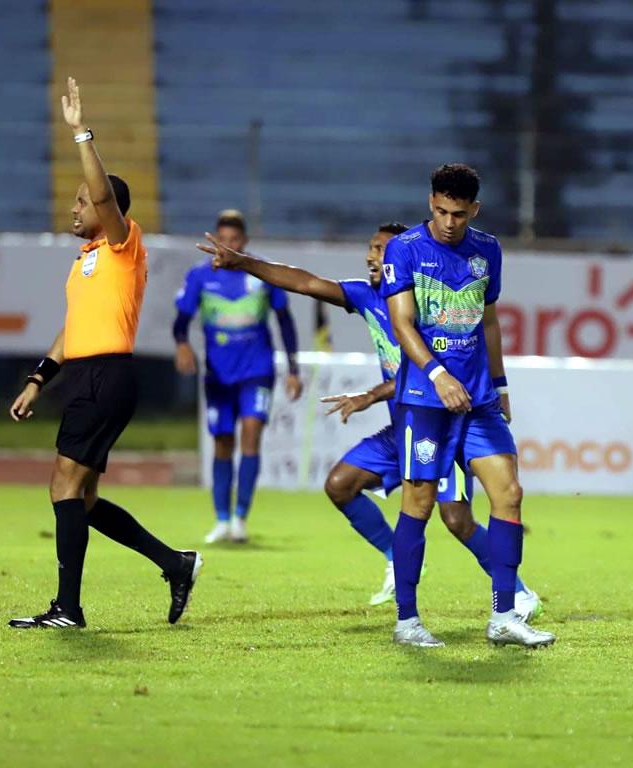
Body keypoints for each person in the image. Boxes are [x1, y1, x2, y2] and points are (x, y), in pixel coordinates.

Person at [199, 222, 542, 619]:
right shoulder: (367, 296)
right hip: (403, 429)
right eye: (370, 247)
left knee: (456, 519)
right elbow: (306, 282)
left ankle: (516, 593)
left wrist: (369, 395)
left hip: (437, 423)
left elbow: (429, 370)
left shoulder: (424, 308)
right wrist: (245, 263)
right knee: (341, 485)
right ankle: (396, 559)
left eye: (380, 249)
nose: (370, 256)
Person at [7, 78, 201, 630]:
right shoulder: (87, 260)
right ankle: (175, 563)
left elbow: (105, 197)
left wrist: (80, 134)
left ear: (104, 207)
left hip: (106, 378)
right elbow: (72, 331)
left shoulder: (123, 242)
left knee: (62, 488)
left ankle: (68, 609)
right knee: (83, 500)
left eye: (81, 200)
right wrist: (38, 380)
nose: (73, 208)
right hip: (89, 377)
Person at [380, 163, 554, 648]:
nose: (449, 222)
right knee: (417, 503)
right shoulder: (407, 249)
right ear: (430, 203)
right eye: (440, 211)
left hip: (477, 399)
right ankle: (408, 621)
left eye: (458, 213)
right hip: (424, 400)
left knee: (510, 494)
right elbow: (403, 324)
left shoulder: (488, 250)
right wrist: (437, 375)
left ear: (474, 209)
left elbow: (490, 322)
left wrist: (499, 383)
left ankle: (504, 617)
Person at [174, 210, 303, 544]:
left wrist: (293, 369)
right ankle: (221, 519)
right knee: (222, 443)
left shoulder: (261, 273)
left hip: (256, 371)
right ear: (214, 242)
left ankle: (240, 519)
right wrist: (182, 344)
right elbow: (181, 320)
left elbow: (285, 321)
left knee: (251, 435)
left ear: (243, 242)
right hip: (218, 375)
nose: (227, 246)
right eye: (222, 240)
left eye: (234, 241)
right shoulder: (200, 277)